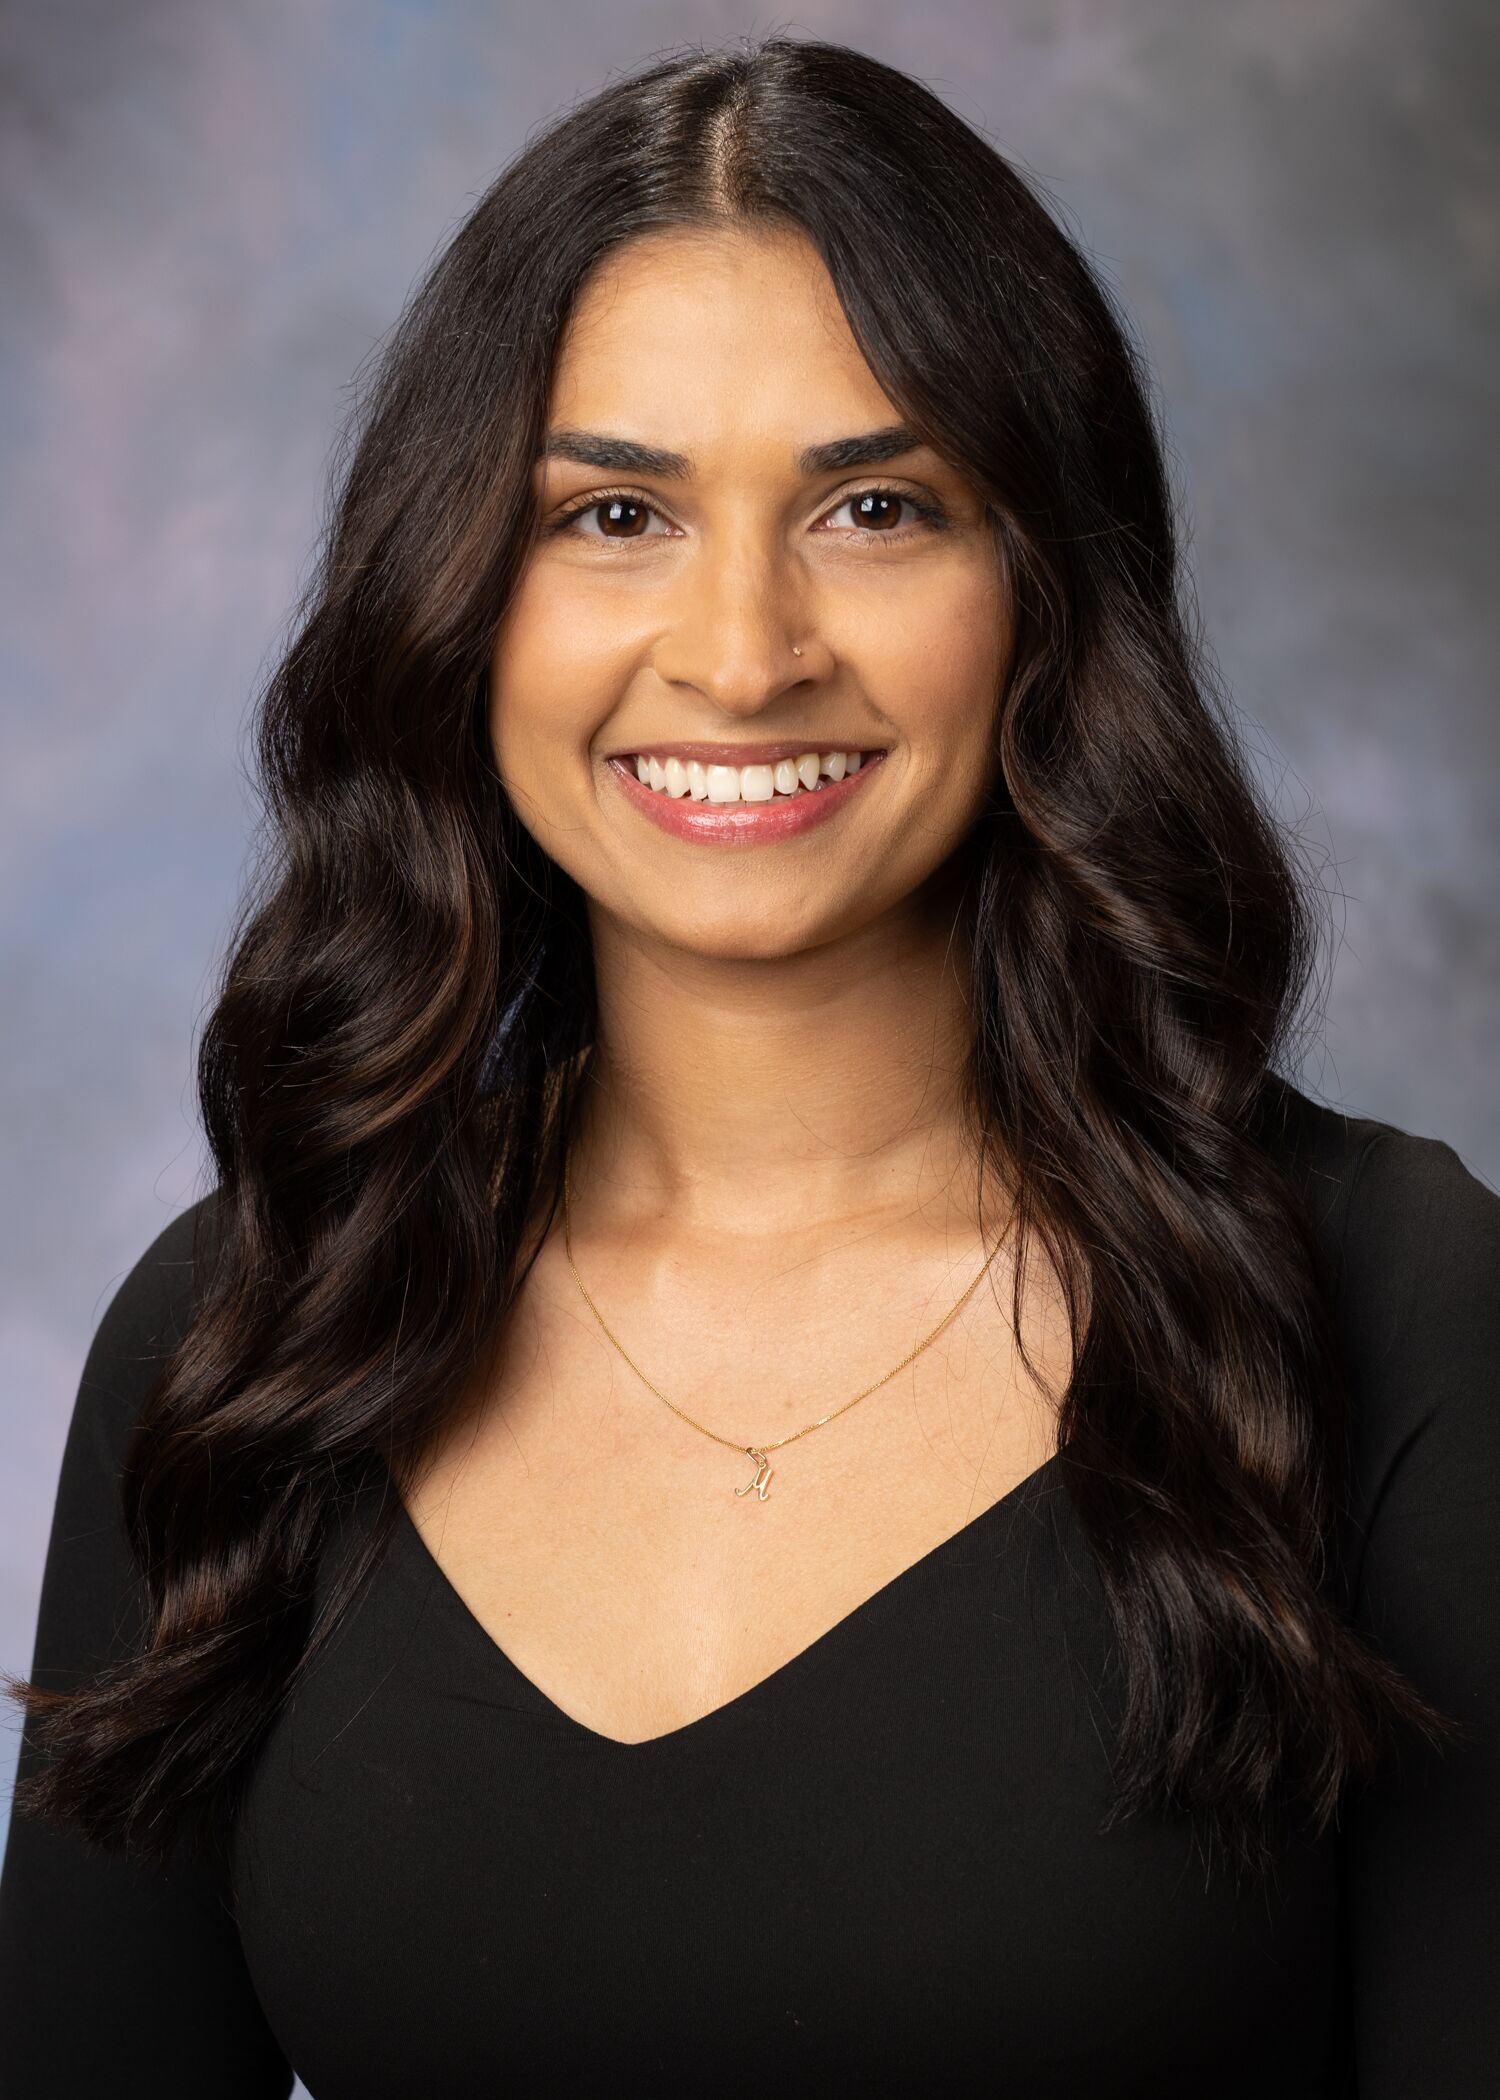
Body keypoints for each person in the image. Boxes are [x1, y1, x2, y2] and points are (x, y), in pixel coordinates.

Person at [2, 34, 1496, 2099]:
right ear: (461, 602)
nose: (740, 647)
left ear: (1047, 588)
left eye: (876, 507)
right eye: (612, 513)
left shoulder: (1391, 1300)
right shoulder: (256, 1326)